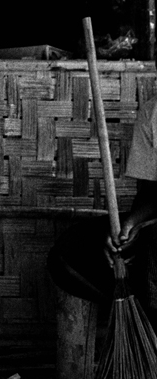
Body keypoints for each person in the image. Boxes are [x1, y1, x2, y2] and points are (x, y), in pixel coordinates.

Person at [48, 96, 157, 326]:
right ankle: (133, 320)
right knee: (69, 252)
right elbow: (150, 193)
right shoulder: (152, 111)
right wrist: (131, 226)